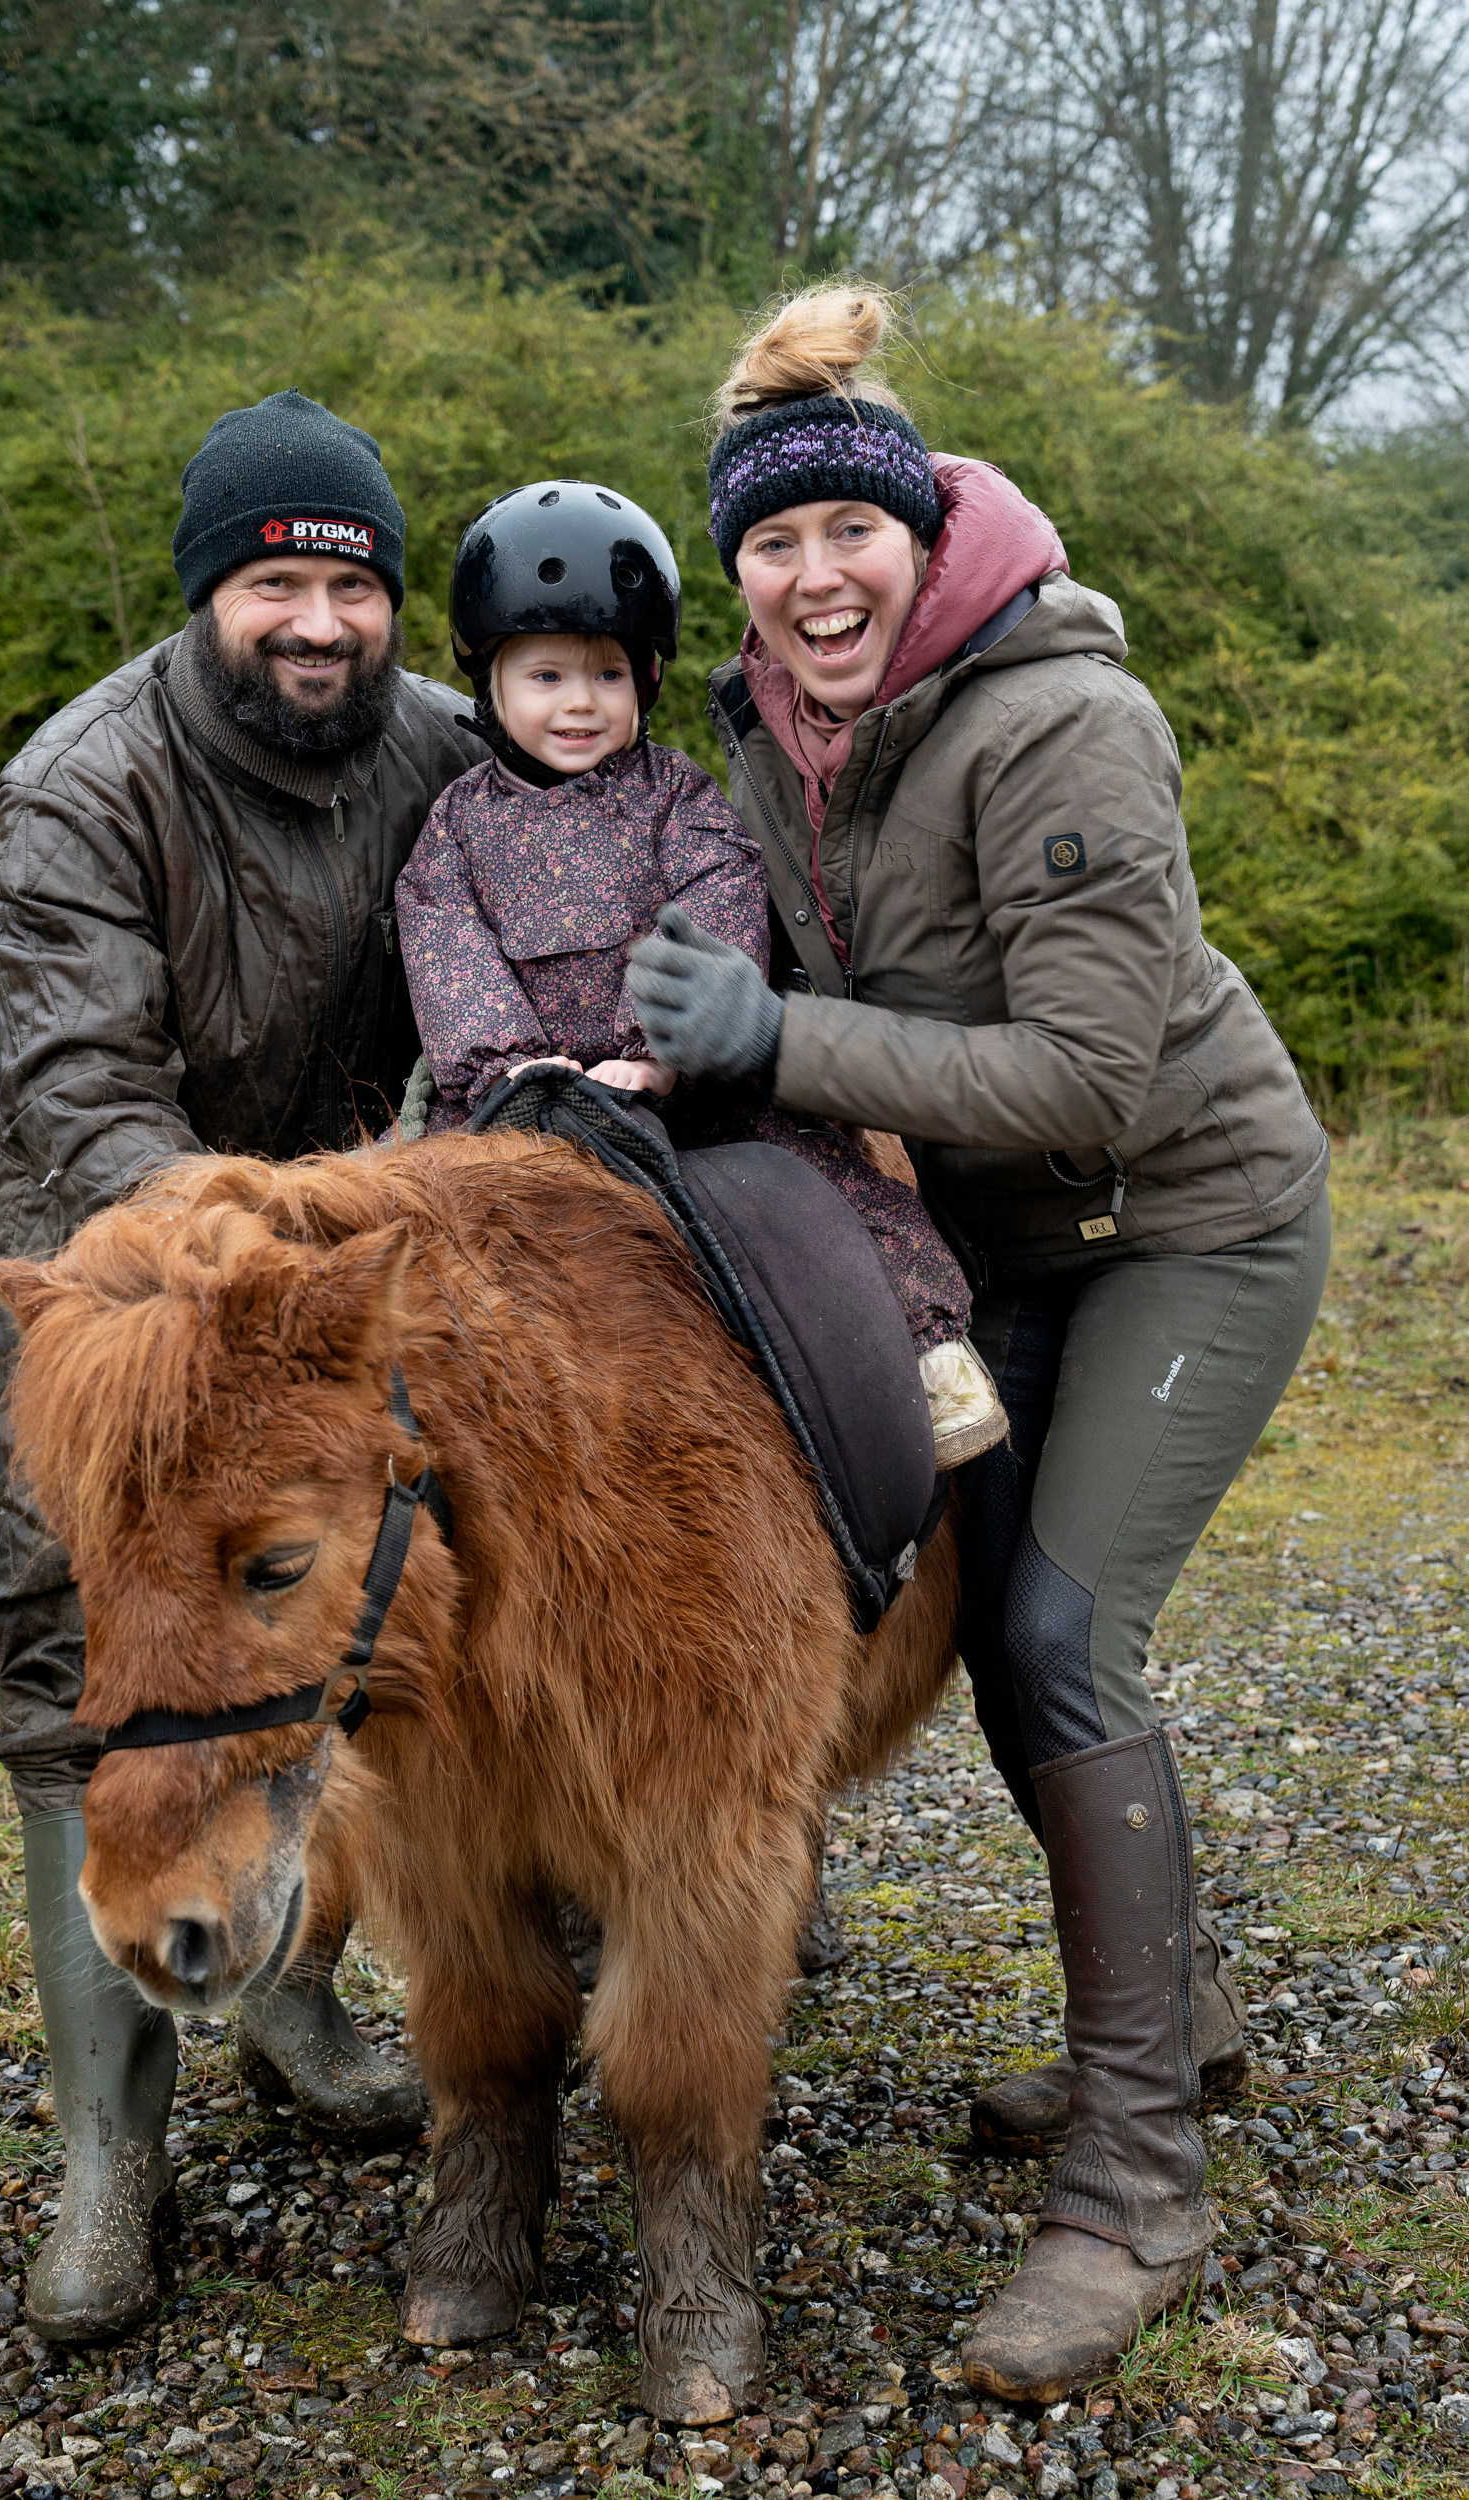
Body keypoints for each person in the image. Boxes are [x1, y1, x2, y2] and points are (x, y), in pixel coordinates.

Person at [626, 287, 1331, 2399]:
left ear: (919, 534)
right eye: (770, 544)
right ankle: (1171, 2022)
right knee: (986, 1620)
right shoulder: (769, 730)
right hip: (995, 1246)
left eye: (849, 531)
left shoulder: (1057, 721)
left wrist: (778, 1037)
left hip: (1188, 1220)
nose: (812, 577)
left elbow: (1089, 1073)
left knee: (1053, 1630)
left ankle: (1135, 2190)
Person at [0, 389, 487, 2343]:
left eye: (352, 586)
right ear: (209, 595)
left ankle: (292, 1996)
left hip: (321, 1290)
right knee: (74, 1680)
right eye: (275, 584)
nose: (318, 623)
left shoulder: (445, 744)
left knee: (326, 1618)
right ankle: (111, 2160)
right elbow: (82, 1089)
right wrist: (264, 1273)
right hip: (103, 1290)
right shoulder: (83, 783)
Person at [395, 478, 1001, 1459]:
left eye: (607, 675)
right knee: (403, 1218)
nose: (580, 703)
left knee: (824, 1181)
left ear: (644, 681)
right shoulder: (458, 825)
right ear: (490, 685)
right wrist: (504, 1064)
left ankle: (926, 1351)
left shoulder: (677, 797)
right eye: (546, 676)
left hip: (687, 1091)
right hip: (520, 1099)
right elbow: (445, 940)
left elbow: (718, 902)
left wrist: (656, 1050)